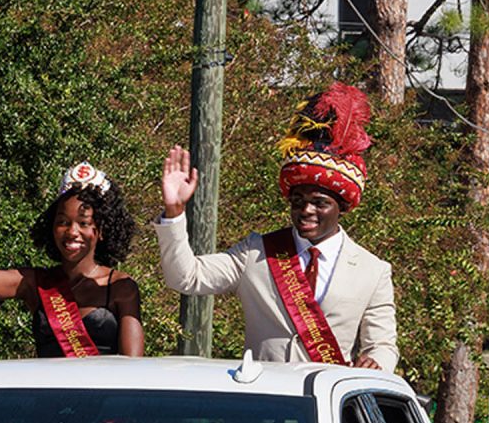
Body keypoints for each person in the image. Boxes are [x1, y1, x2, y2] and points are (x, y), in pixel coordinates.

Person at [155, 83, 397, 370]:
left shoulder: (372, 270)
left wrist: (376, 364)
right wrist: (174, 211)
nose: (306, 210)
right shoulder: (256, 252)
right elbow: (185, 277)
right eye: (298, 201)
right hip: (264, 393)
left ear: (342, 207)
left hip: (326, 394)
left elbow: (383, 345)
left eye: (319, 203)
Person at [0, 141, 144, 357]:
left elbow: (133, 368)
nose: (72, 231)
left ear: (102, 230)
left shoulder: (120, 287)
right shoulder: (37, 283)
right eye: (63, 222)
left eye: (84, 223)